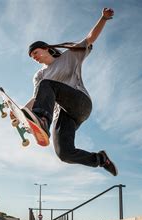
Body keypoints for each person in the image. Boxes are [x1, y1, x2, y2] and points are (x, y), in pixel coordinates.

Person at [22, 8, 118, 176]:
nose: (34, 57)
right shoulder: (40, 75)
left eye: (35, 53)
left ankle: (44, 119)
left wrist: (103, 18)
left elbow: (89, 39)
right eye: (31, 57)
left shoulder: (70, 56)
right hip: (65, 114)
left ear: (45, 49)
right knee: (64, 153)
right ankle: (101, 160)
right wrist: (22, 112)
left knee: (47, 85)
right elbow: (37, 98)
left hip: (80, 103)